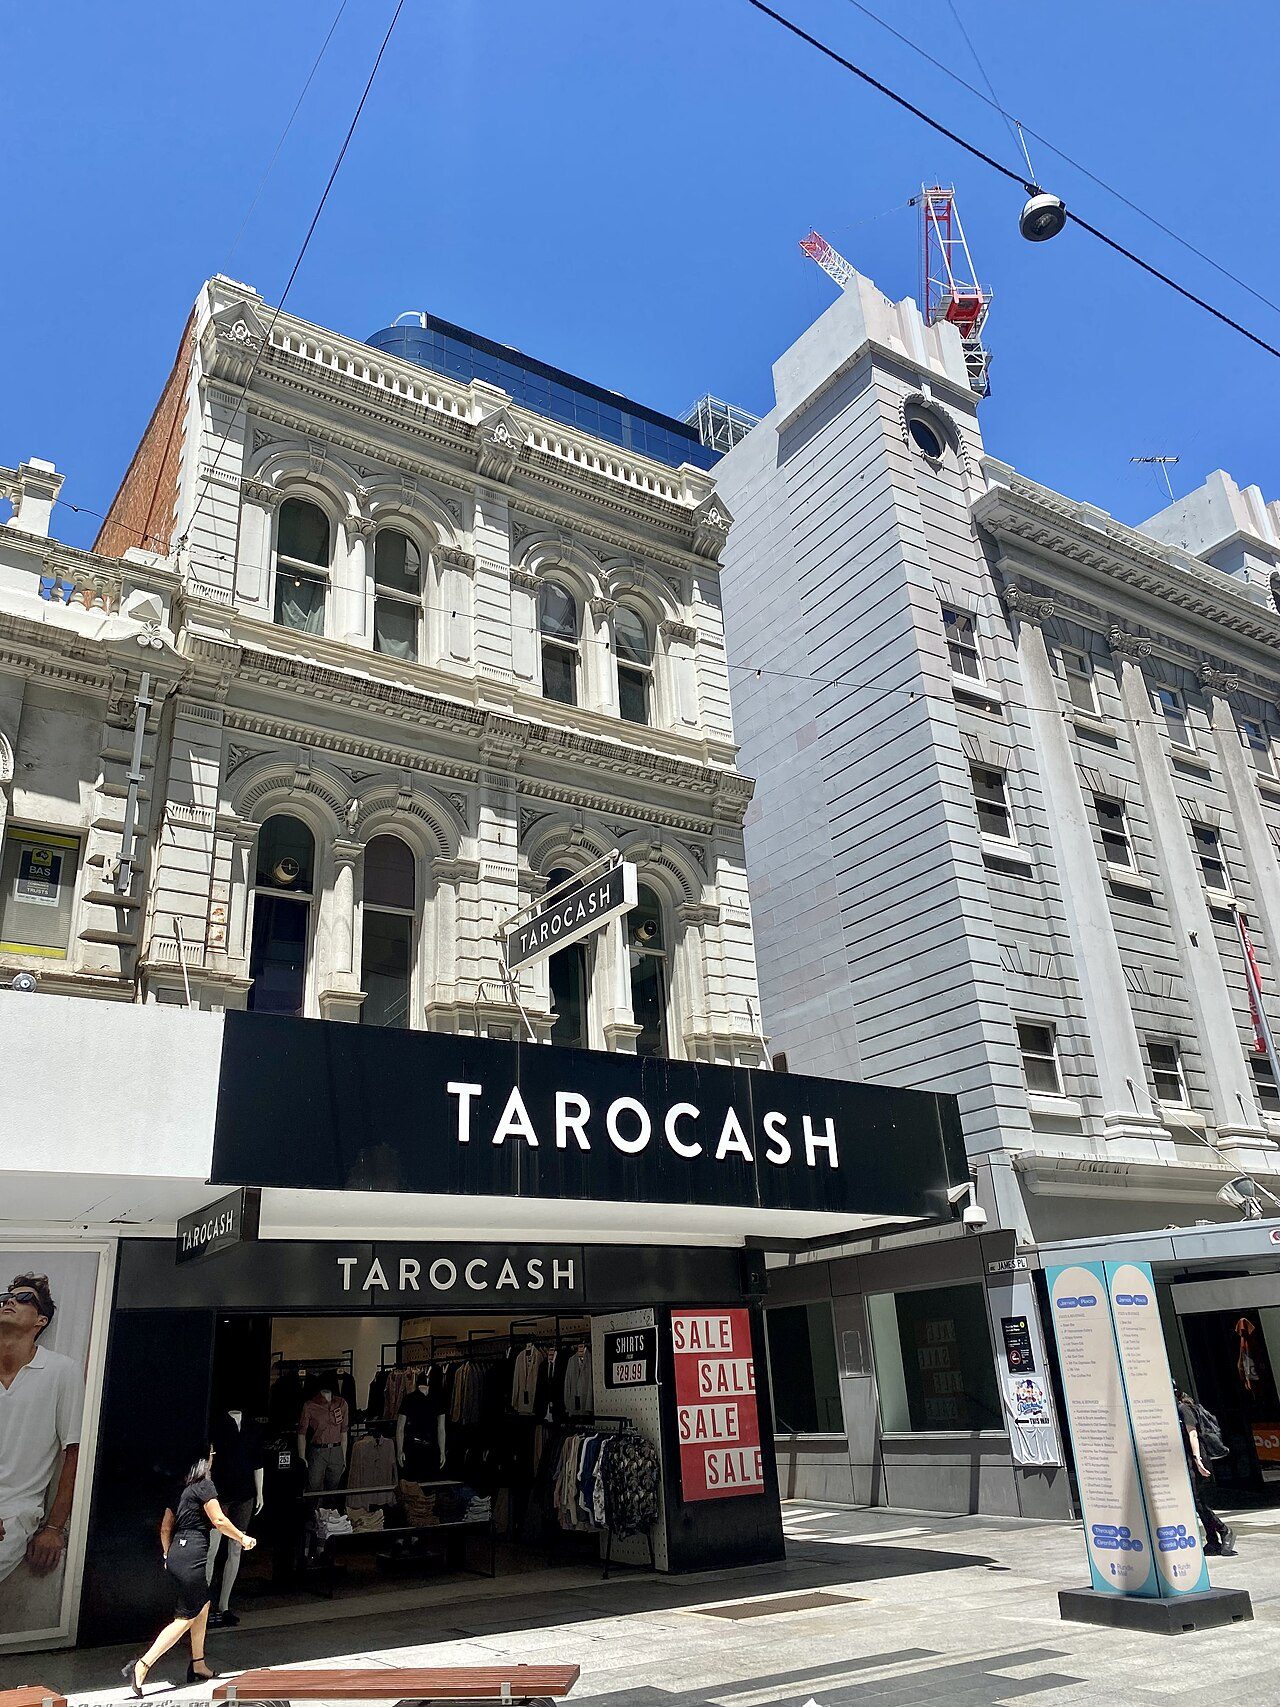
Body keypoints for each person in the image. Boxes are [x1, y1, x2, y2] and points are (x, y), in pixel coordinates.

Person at [121, 1447, 257, 1696]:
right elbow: (218, 1521)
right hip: (193, 1554)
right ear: (206, 1461)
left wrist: (166, 1555)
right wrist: (242, 1537)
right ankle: (141, 1666)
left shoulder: (178, 1488)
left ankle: (198, 1665)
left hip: (176, 1553)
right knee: (184, 1618)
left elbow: (165, 1529)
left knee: (201, 1605)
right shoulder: (205, 1486)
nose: (214, 1459)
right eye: (213, 1455)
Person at [0, 1274, 83, 1600]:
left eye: (24, 1299)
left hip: (14, 1513)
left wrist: (53, 1528)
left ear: (41, 1319)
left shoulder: (62, 1371)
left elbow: (74, 1452)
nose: (9, 1301)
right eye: (6, 1296)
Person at [1175, 1383, 1236, 1558]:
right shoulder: (1177, 1410)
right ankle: (1212, 1540)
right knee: (1197, 1500)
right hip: (1190, 1459)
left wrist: (1198, 1460)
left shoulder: (1183, 1408)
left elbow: (1192, 1434)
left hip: (1197, 1459)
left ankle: (1224, 1530)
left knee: (1197, 1499)